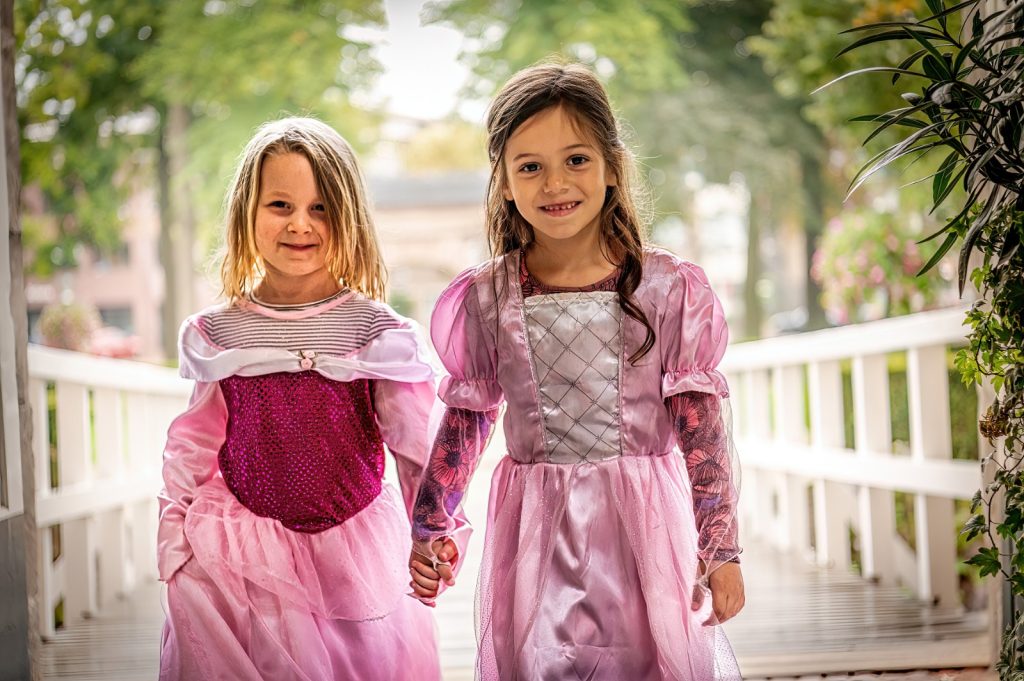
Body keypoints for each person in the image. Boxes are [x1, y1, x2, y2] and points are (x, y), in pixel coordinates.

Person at [408, 63, 745, 680]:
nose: (554, 182)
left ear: (613, 167)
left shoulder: (666, 288)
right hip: (537, 533)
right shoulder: (488, 299)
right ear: (504, 182)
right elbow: (465, 423)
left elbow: (701, 429)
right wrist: (431, 523)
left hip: (642, 529)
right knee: (544, 661)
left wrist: (720, 545)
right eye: (529, 165)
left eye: (576, 160)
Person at [157, 117, 442, 681]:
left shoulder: (373, 331)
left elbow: (416, 446)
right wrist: (174, 533)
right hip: (240, 550)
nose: (300, 225)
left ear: (349, 218)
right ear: (247, 212)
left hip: (353, 550)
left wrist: (433, 533)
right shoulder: (223, 333)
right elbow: (192, 441)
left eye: (320, 208)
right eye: (280, 205)